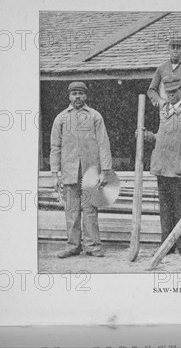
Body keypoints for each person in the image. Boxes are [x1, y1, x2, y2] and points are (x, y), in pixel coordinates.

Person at [50, 81, 113, 258]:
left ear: (86, 96)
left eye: (80, 93)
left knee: (90, 209)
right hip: (69, 172)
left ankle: (92, 245)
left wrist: (105, 170)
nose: (77, 97)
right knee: (71, 210)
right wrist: (55, 174)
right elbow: (55, 147)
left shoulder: (95, 117)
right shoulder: (61, 118)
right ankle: (73, 245)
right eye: (74, 93)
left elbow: (103, 144)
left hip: (90, 172)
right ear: (69, 96)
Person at [141, 75, 181, 257]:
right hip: (162, 167)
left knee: (180, 209)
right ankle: (166, 244)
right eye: (168, 93)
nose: (172, 95)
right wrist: (146, 135)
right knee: (164, 209)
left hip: (179, 168)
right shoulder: (163, 111)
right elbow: (162, 138)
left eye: (174, 92)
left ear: (180, 92)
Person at [147, 37, 181, 108]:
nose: (175, 51)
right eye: (173, 48)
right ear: (168, 49)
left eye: (178, 48)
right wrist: (160, 101)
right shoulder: (161, 68)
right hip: (166, 111)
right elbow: (151, 90)